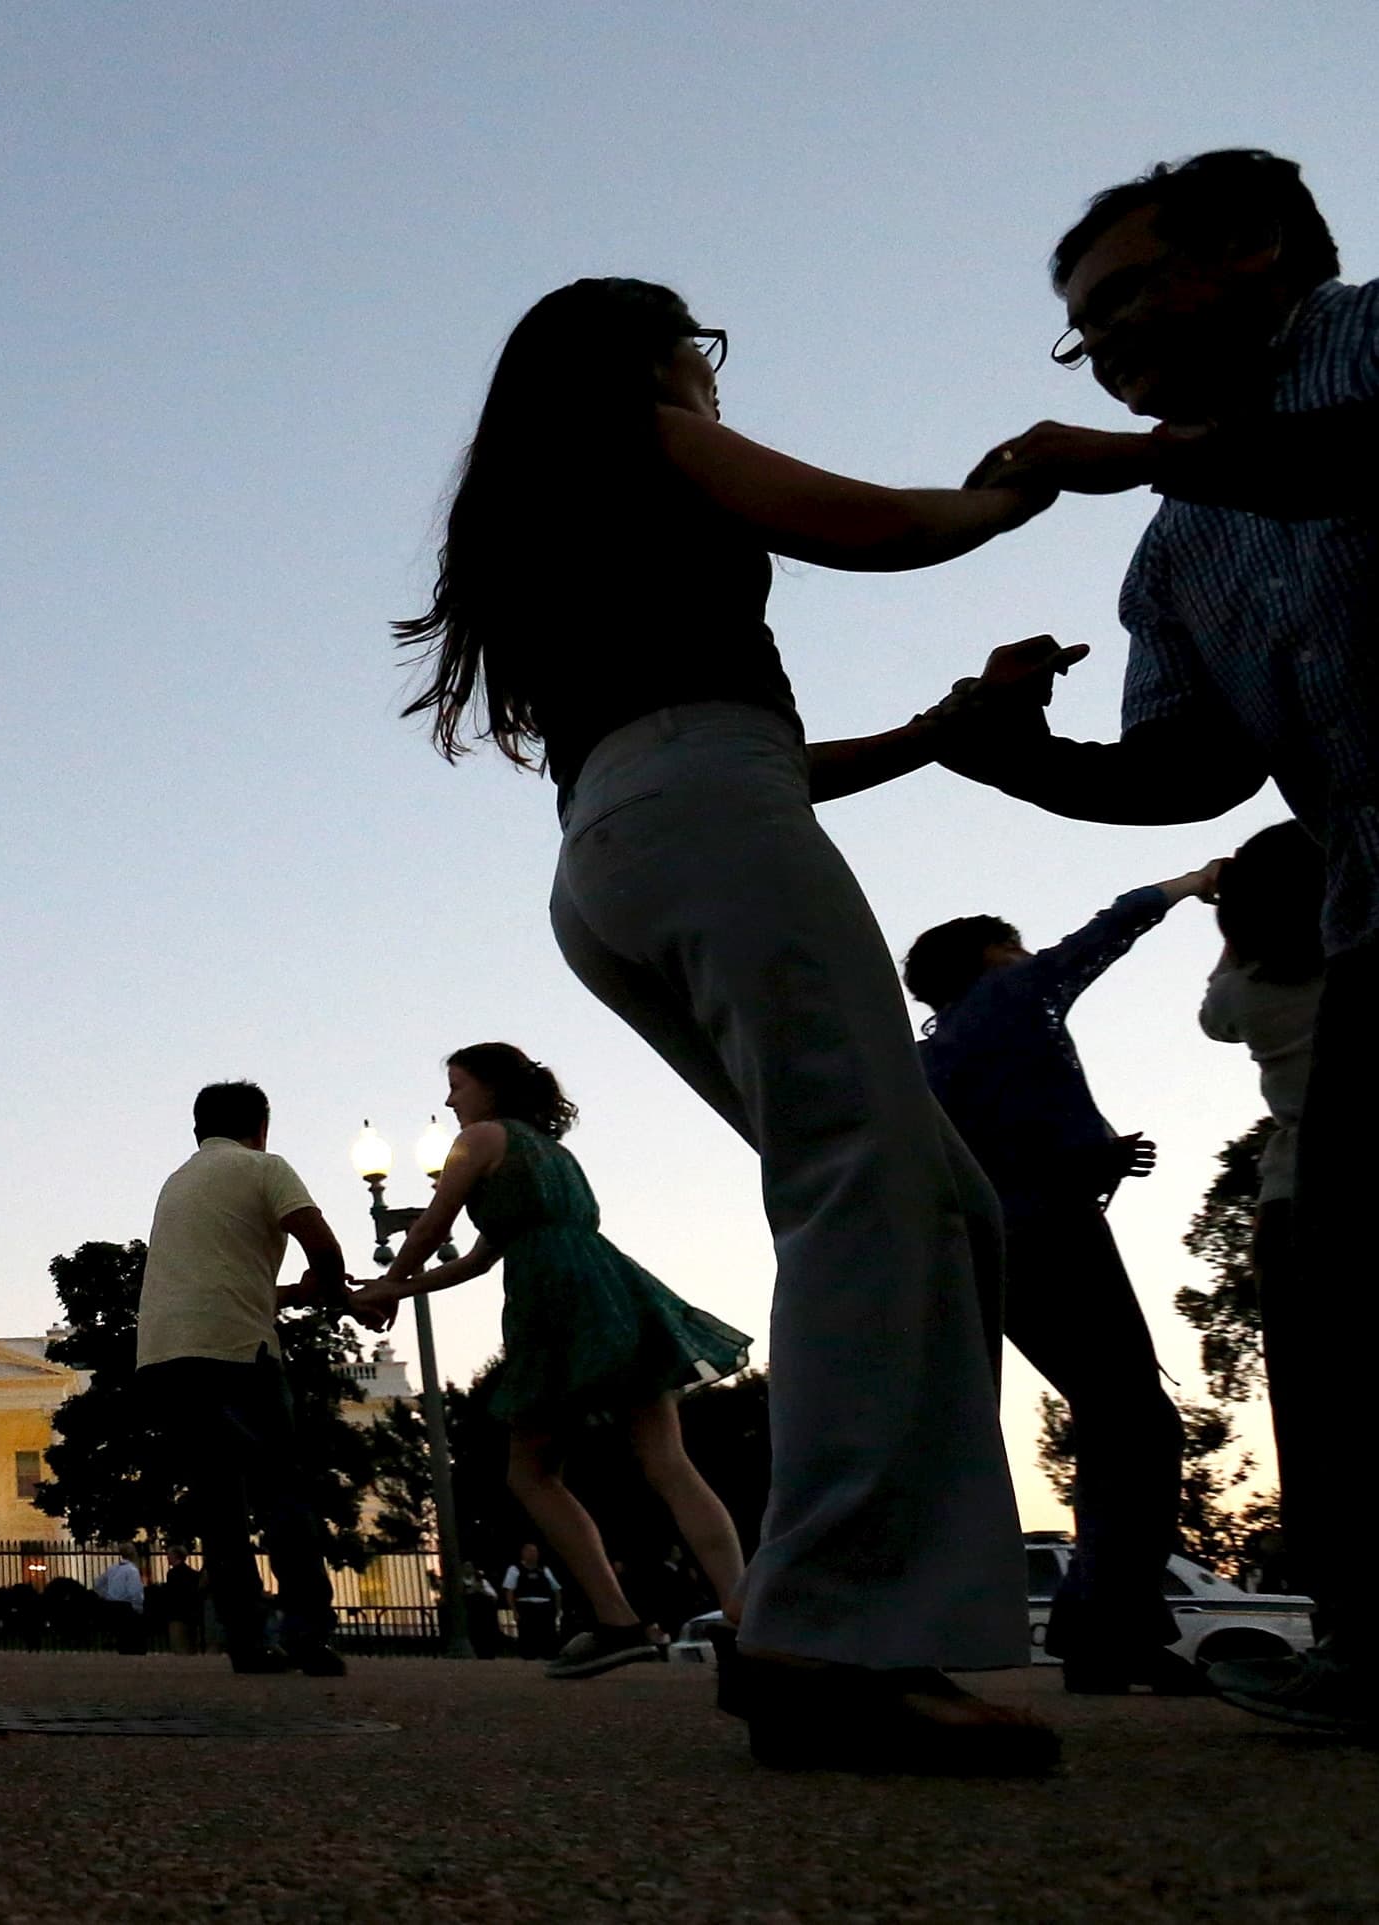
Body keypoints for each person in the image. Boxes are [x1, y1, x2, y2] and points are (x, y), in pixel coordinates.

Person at [395, 276, 1062, 1774]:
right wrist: (1014, 491)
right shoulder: (641, 430)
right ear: (652, 351)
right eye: (697, 349)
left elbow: (712, 745)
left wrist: (937, 734)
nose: (706, 374)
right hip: (701, 817)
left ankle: (849, 1618)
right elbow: (869, 526)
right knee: (878, 1192)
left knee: (924, 1195)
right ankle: (828, 1635)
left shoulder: (540, 507)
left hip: (620, 845)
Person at [947, 150, 1376, 1736]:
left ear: (1256, 247)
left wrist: (1142, 456)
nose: (1105, 343)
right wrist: (1020, 755)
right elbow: (1190, 770)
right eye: (1083, 329)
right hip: (1369, 907)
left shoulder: (1371, 343)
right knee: (1333, 1284)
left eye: (1124, 298)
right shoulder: (1177, 542)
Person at [908, 866, 1225, 1692]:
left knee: (1109, 1414)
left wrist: (1085, 1156)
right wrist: (1196, 881)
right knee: (1138, 1420)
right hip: (1059, 1231)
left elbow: (971, 1160)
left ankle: (1099, 1618)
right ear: (989, 955)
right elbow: (1103, 933)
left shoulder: (929, 1058)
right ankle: (1107, 1623)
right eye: (1010, 944)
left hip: (997, 1248)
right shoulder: (1013, 998)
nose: (1024, 954)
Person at [353, 1046, 752, 1681]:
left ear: (489, 1088)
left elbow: (432, 1229)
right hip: (614, 1290)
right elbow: (475, 1259)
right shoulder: (551, 1154)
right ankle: (745, 1602)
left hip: (555, 1302)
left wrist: (387, 1283)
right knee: (667, 1461)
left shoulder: (479, 1140)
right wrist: (393, 1291)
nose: (451, 1100)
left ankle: (616, 1621)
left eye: (457, 1085)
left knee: (532, 1473)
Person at [129, 1081, 354, 1677]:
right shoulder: (266, 1167)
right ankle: (307, 1633)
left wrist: (293, 1294)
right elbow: (322, 1247)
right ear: (262, 1127)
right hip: (238, 1353)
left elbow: (223, 1286)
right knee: (282, 1491)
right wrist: (341, 1295)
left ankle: (247, 1641)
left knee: (219, 1502)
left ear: (199, 1129)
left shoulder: (176, 1183)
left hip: (166, 1356)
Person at [1201, 829, 1324, 1551]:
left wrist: (1232, 924)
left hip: (1291, 1202)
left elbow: (1214, 1015)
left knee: (1310, 1407)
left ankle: (1343, 1614)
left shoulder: (1246, 993)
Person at [99, 1549, 149, 1656]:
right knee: (132, 1639)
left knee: (121, 1638)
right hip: (126, 1606)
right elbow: (135, 1590)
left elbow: (98, 1584)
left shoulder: (113, 1569)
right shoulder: (132, 1570)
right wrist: (138, 1607)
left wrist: (107, 1595)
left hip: (112, 1606)